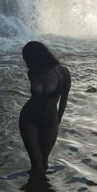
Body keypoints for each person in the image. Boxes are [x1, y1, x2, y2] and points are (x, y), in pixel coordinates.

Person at [19, 41, 71, 171]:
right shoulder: (32, 73)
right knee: (36, 161)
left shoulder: (63, 73)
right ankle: (35, 188)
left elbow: (64, 99)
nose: (27, 64)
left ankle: (40, 187)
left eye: (28, 60)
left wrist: (58, 121)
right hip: (29, 118)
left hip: (49, 121)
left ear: (37, 58)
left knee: (44, 161)